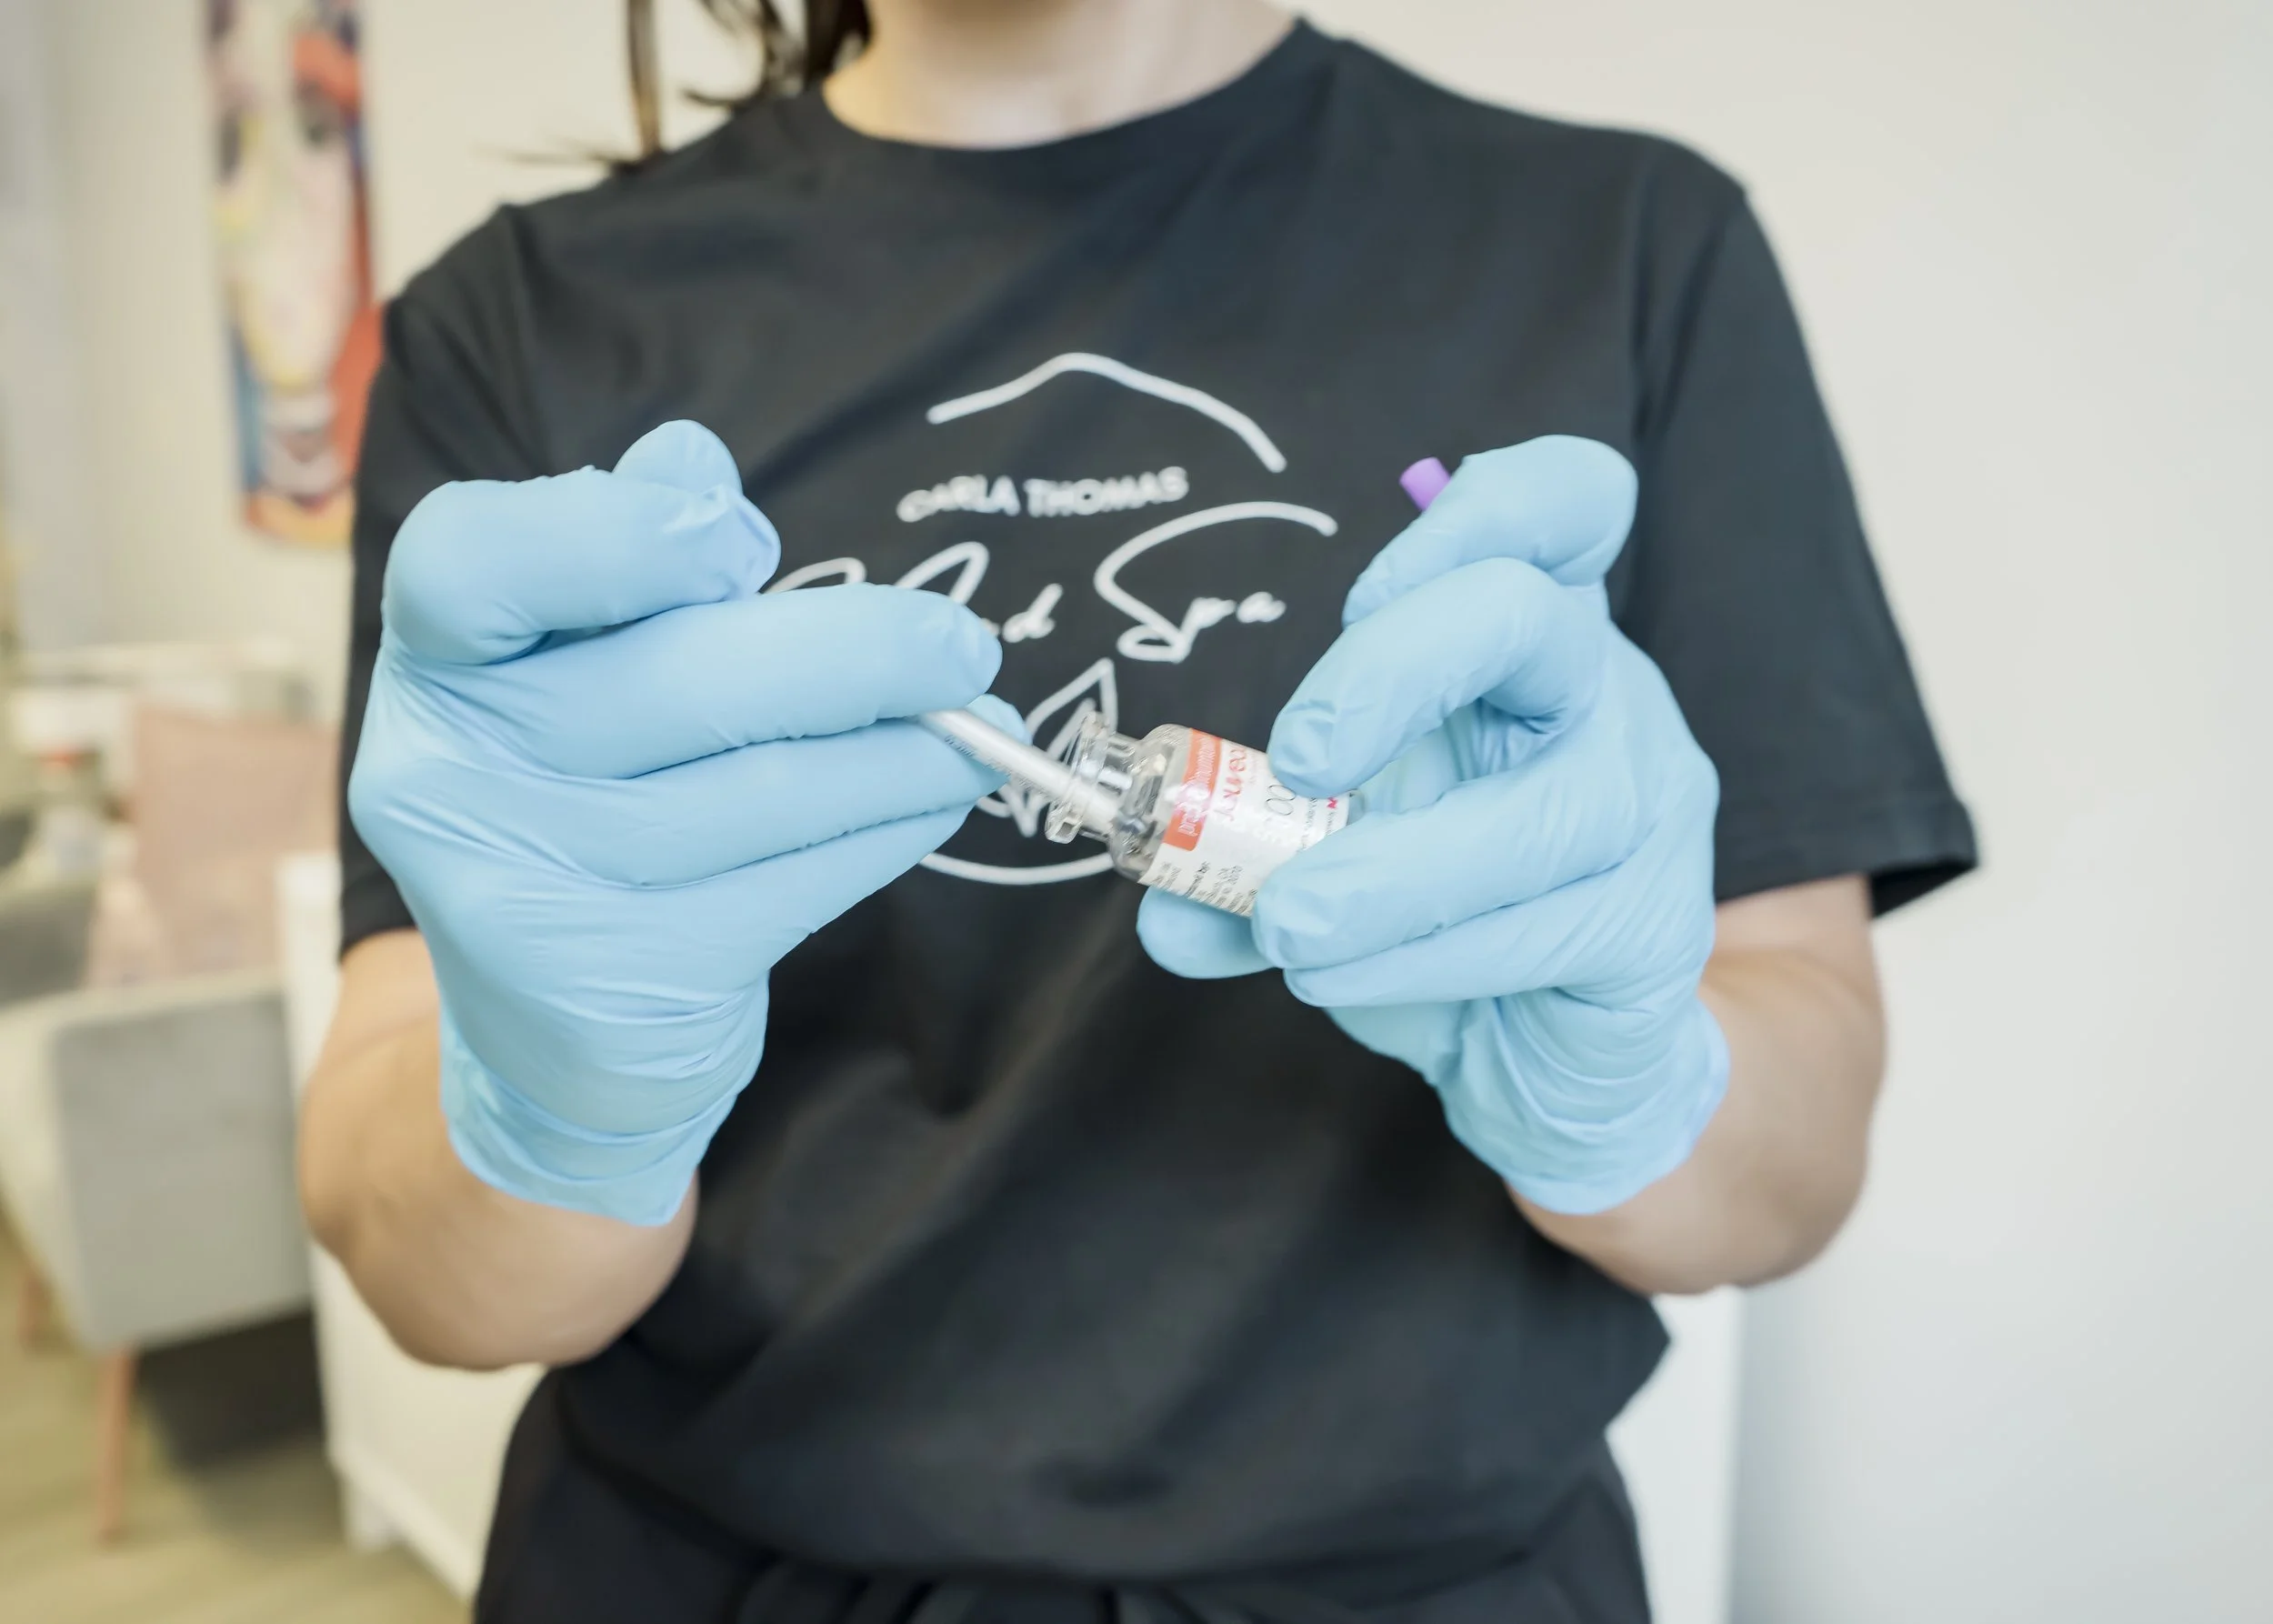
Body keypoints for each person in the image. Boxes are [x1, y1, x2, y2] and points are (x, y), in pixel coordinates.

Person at [297, 4, 1977, 1620]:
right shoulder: (522, 324)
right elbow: (425, 1269)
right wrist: (555, 1117)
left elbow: (1794, 1161)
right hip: (695, 1562)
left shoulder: (1625, 247)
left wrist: (1629, 1090)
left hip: (1432, 1582)